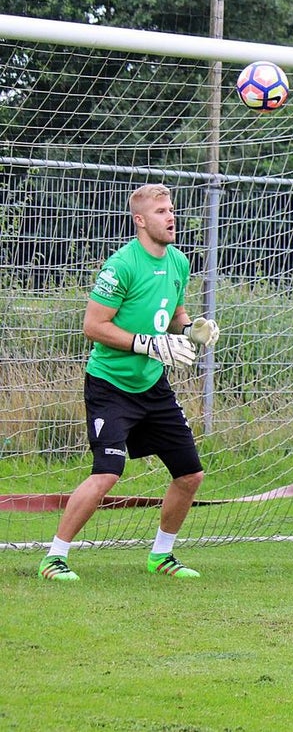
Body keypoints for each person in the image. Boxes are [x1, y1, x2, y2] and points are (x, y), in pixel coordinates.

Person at [38, 183, 220, 582]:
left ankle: (161, 556)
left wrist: (193, 328)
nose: (171, 217)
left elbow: (172, 312)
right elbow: (93, 326)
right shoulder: (121, 265)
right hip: (111, 385)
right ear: (140, 220)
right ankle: (54, 557)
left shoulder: (178, 262)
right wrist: (147, 344)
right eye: (160, 212)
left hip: (152, 385)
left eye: (171, 209)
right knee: (107, 473)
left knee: (190, 475)